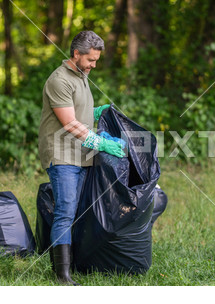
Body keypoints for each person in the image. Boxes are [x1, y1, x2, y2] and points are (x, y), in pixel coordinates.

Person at [38, 31, 125, 285]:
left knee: (76, 211)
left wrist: (100, 112)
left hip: (81, 153)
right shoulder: (59, 80)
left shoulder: (82, 75)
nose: (94, 65)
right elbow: (70, 123)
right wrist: (101, 143)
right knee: (65, 210)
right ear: (76, 54)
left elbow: (80, 112)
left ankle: (72, 264)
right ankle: (62, 276)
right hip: (62, 153)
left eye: (96, 60)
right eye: (91, 60)